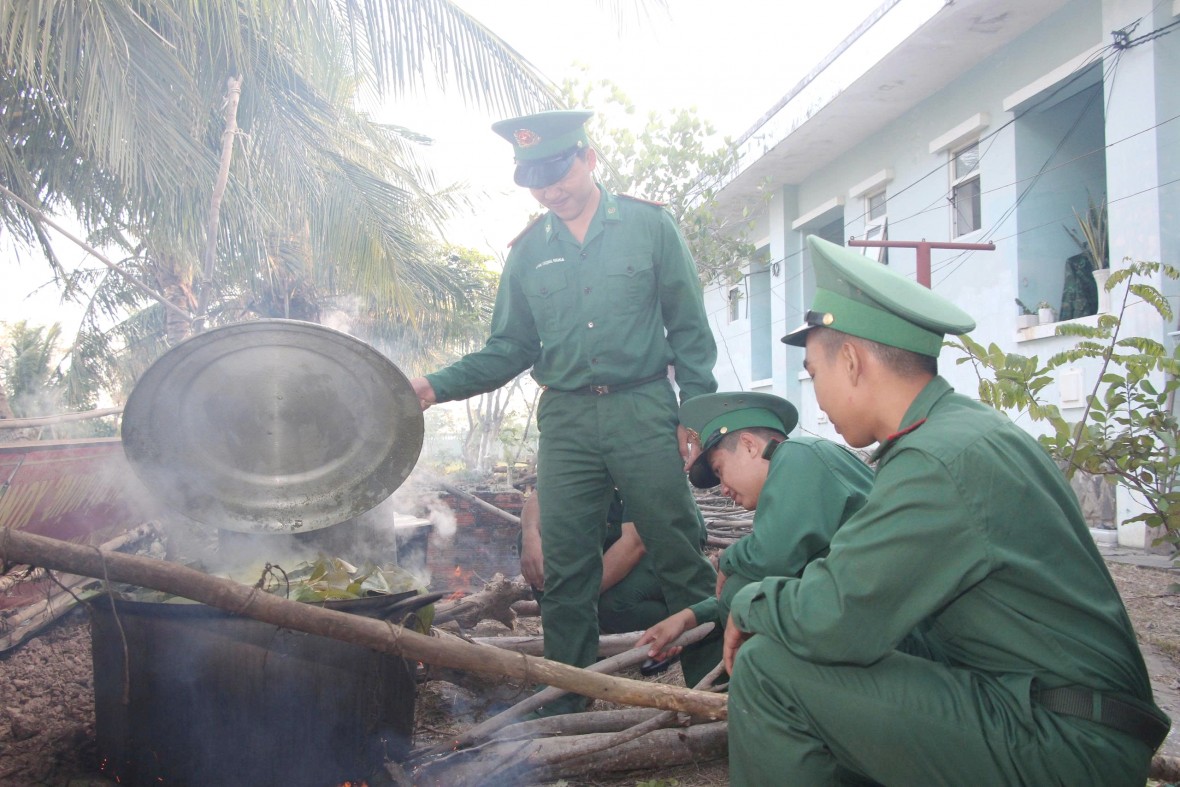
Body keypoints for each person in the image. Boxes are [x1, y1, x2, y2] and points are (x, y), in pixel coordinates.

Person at [722, 235, 1170, 785]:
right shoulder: (966, 430)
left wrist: (747, 602)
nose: (816, 397)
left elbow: (834, 615)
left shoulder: (937, 459)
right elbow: (864, 598)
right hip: (1058, 714)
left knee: (771, 671)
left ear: (852, 361)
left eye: (814, 373)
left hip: (1063, 739)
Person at [409, 110, 720, 711]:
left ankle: (717, 687)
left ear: (589, 158)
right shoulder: (527, 253)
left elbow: (690, 328)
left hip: (643, 408)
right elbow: (510, 348)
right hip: (568, 421)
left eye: (559, 171)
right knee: (568, 566)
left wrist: (696, 411)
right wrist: (433, 385)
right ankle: (568, 700)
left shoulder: (650, 226)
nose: (550, 188)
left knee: (677, 546)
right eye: (535, 178)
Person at [636, 392, 873, 665]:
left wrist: (729, 558)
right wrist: (689, 617)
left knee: (740, 588)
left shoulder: (798, 454)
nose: (723, 489)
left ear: (749, 445)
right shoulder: (797, 492)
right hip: (872, 618)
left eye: (719, 469)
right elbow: (783, 578)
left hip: (888, 627)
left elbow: (769, 559)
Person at [516, 479, 671, 635]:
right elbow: (539, 496)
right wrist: (530, 536)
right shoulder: (579, 460)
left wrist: (577, 596)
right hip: (609, 540)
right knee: (534, 543)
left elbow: (634, 543)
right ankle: (568, 630)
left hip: (658, 549)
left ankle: (676, 629)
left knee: (612, 605)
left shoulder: (638, 464)